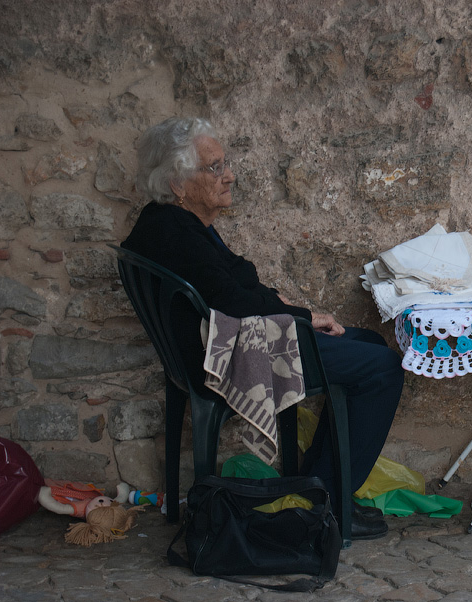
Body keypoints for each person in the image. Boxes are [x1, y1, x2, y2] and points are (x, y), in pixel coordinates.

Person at [122, 116, 404, 540]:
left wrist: (285, 303)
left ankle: (318, 485)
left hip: (218, 343)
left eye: (224, 163)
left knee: (366, 341)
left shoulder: (171, 223)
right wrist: (303, 317)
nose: (228, 175)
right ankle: (327, 500)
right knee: (382, 369)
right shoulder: (175, 231)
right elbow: (232, 299)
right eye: (214, 167)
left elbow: (231, 279)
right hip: (225, 359)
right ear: (178, 184)